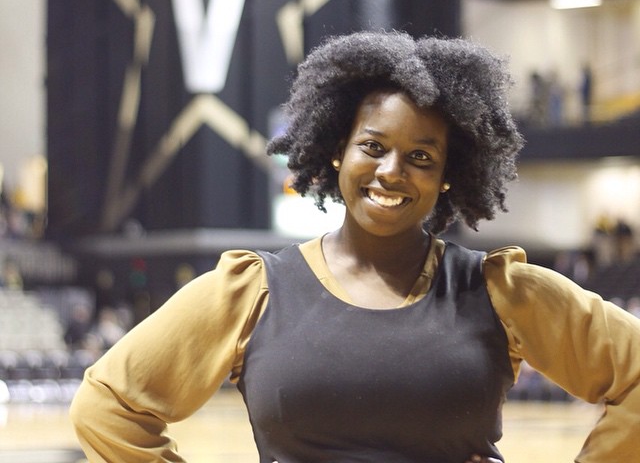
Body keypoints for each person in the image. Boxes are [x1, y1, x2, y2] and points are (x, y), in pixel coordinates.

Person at [70, 31, 640, 462]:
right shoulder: (252, 291)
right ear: (337, 150)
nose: (391, 171)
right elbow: (108, 405)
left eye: (421, 157)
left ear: (448, 176)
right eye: (372, 146)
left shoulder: (499, 290)